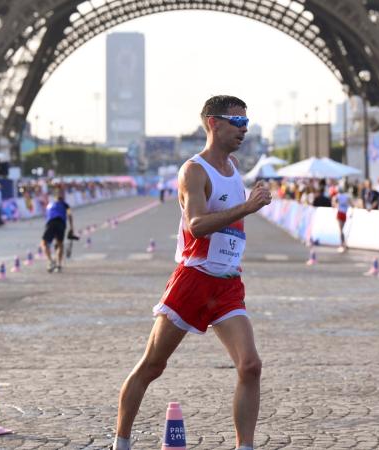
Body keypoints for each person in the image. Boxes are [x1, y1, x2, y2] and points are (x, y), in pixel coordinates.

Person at [114, 96, 270, 450]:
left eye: (247, 122)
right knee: (152, 365)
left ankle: (244, 446)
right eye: (237, 122)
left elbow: (230, 224)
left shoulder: (234, 170)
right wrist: (247, 206)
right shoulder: (194, 170)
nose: (244, 129)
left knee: (250, 366)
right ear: (214, 124)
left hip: (228, 283)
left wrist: (248, 206)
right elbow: (197, 225)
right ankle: (120, 442)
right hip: (194, 280)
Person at [41, 190, 74, 273]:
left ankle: (51, 261)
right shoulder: (66, 205)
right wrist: (71, 227)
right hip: (61, 224)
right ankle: (59, 264)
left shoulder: (50, 204)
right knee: (59, 244)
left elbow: (47, 216)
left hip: (51, 223)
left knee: (44, 243)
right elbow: (70, 215)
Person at [332, 187, 351, 252]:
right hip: (344, 213)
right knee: (342, 229)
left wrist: (336, 205)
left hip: (340, 213)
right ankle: (343, 243)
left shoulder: (338, 196)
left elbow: (334, 201)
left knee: (341, 230)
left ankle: (342, 244)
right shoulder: (346, 196)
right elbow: (349, 203)